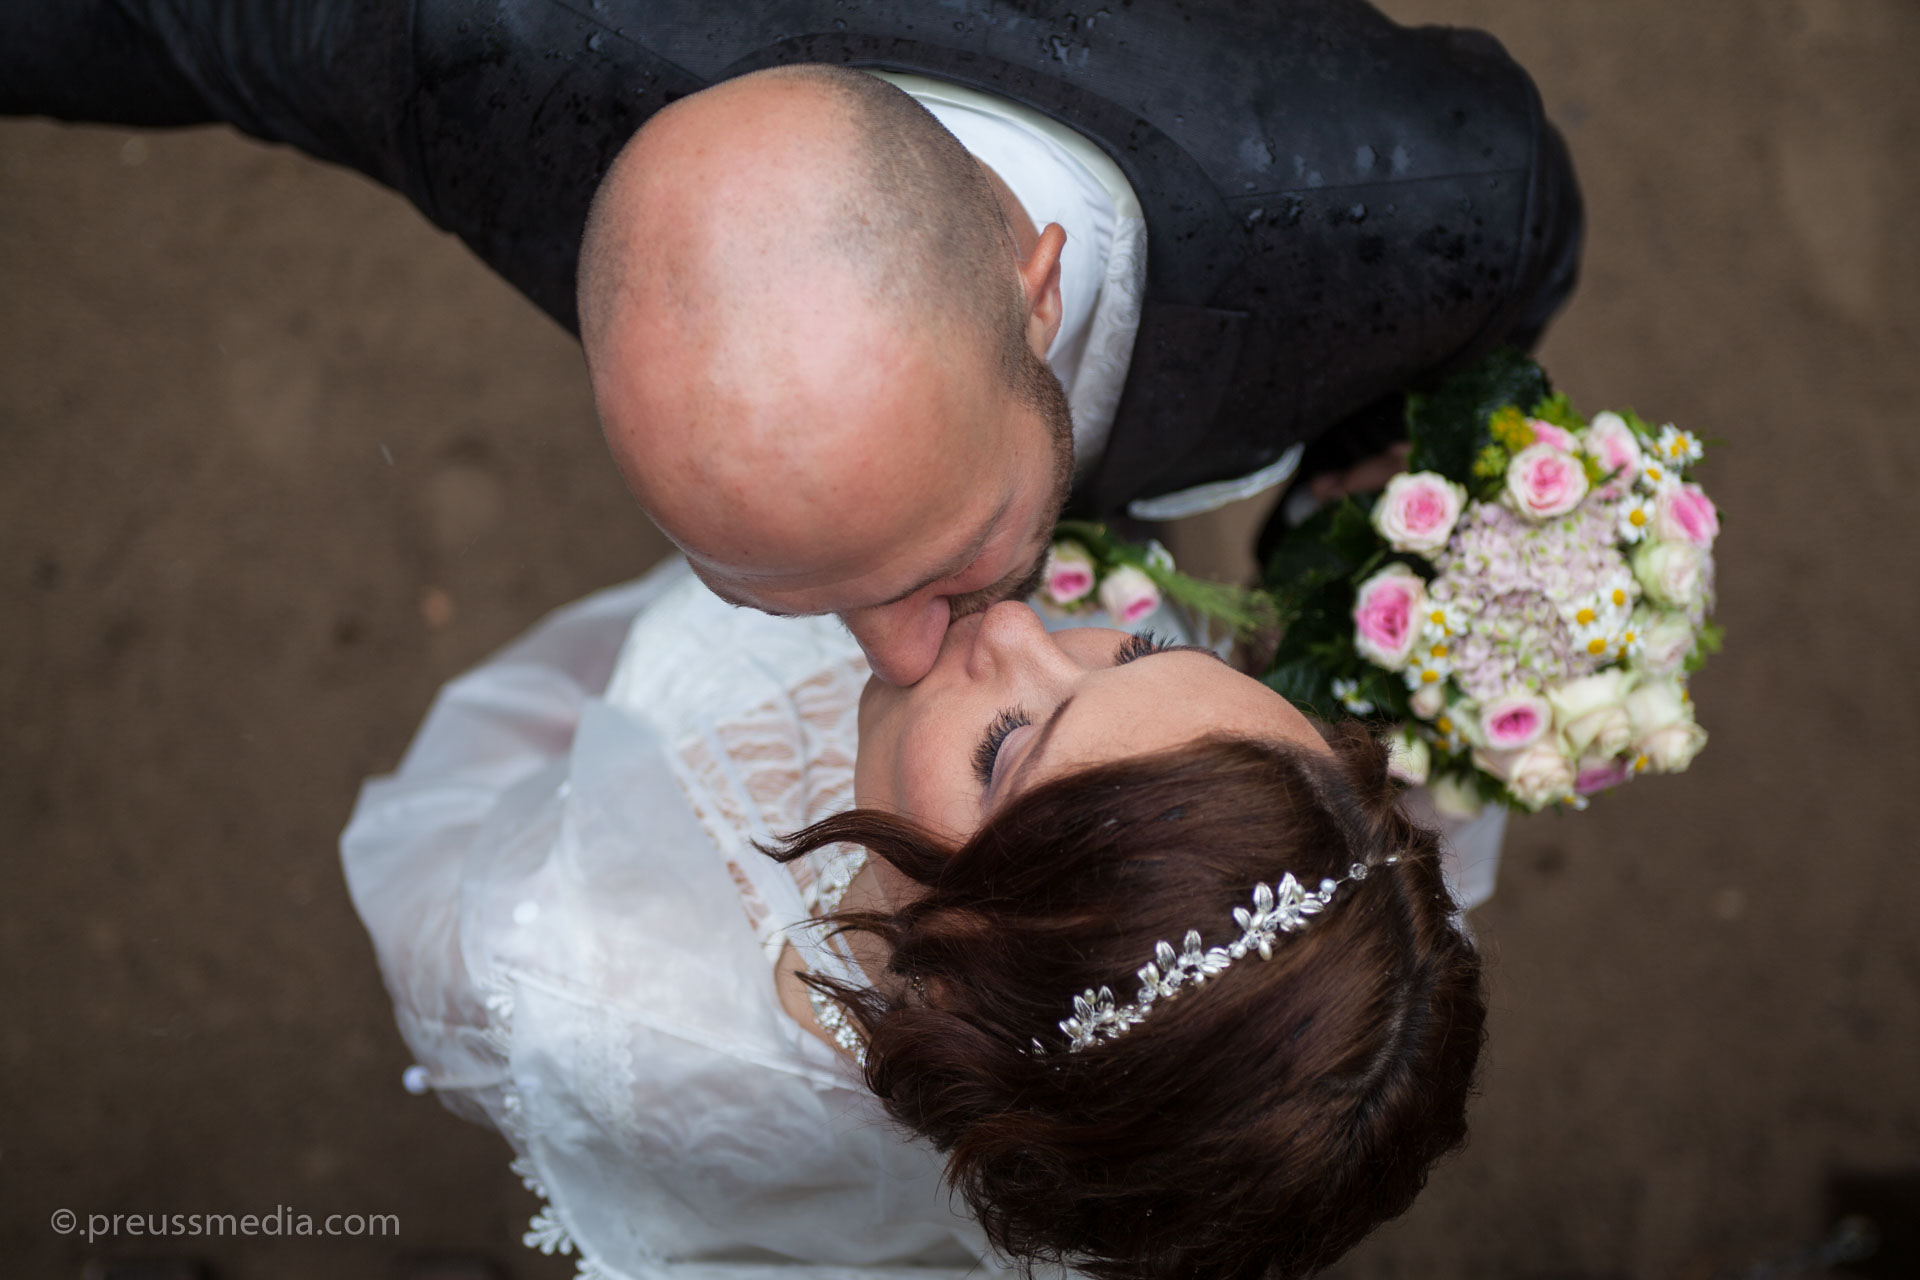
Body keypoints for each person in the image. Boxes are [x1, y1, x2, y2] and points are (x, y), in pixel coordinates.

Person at [2, 1, 1583, 683]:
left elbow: (1503, 291)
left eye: (953, 555)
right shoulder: (479, 58)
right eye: (780, 588)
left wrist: (1348, 506)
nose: (913, 658)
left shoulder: (1409, 186)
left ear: (1038, 291)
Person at [341, 560, 1487, 1279]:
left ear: (956, 994)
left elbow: (436, 838)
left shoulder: (572, 973)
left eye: (1004, 750)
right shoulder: (1300, 945)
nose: (1023, 620)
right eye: (1144, 650)